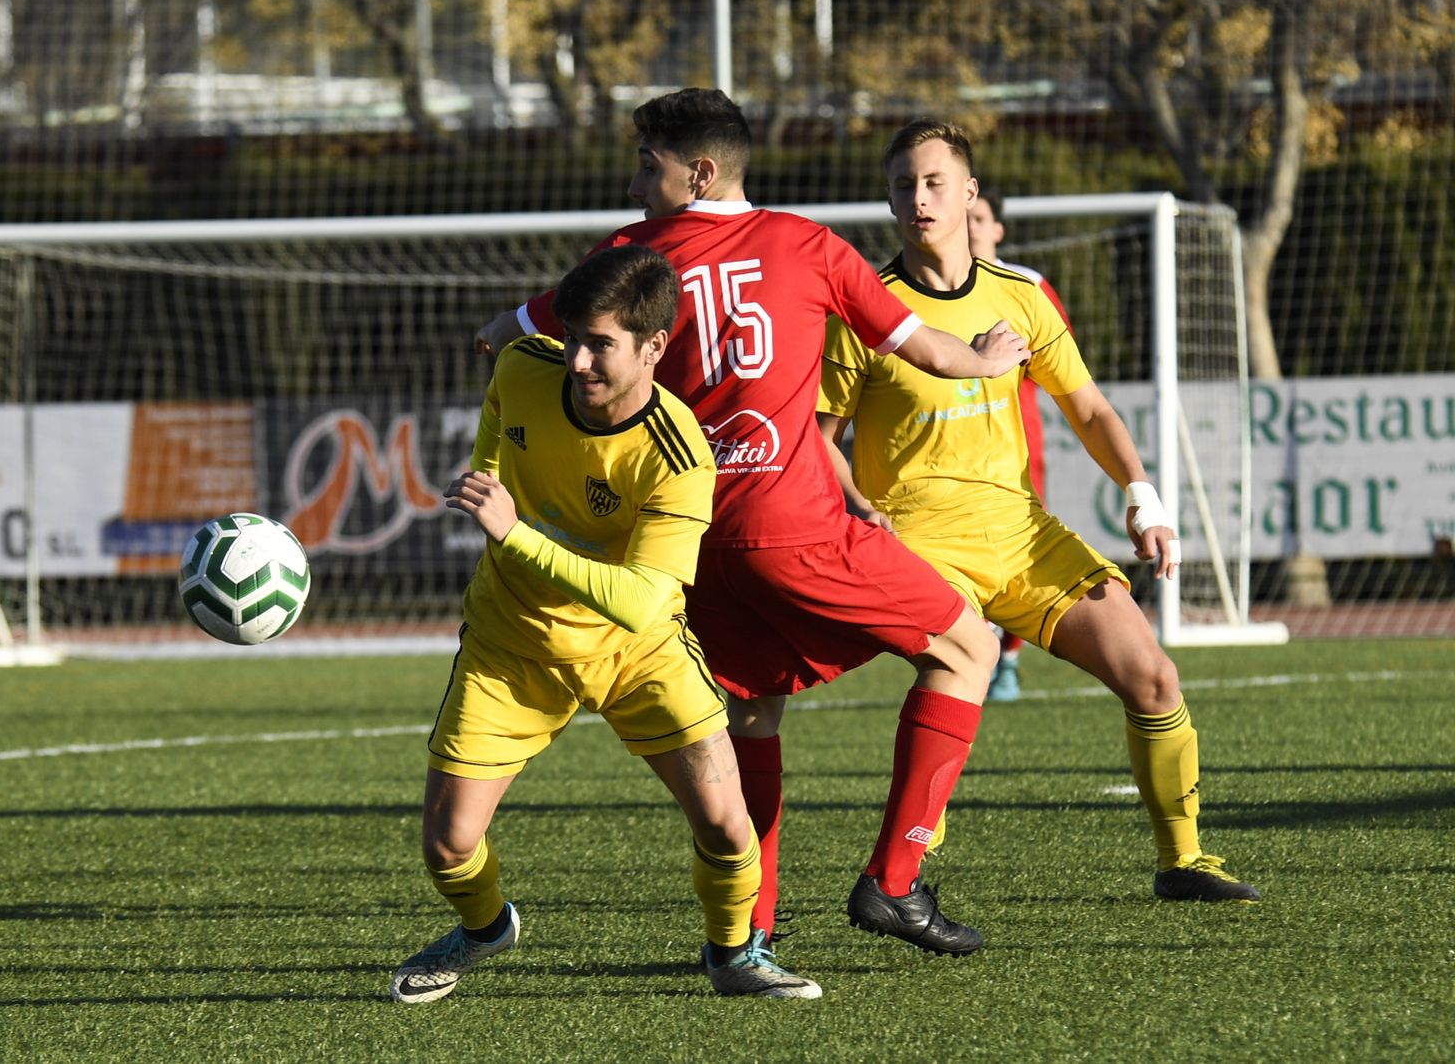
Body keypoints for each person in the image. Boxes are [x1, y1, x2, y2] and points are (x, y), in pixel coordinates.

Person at [475, 88, 1030, 956]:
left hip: (689, 540)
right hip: (792, 525)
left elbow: (504, 336)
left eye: (647, 167)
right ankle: (894, 881)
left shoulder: (628, 260)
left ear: (699, 173)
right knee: (968, 647)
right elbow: (929, 350)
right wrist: (989, 360)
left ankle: (752, 930)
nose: (635, 186)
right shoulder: (807, 244)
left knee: (751, 716)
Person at [817, 119, 1260, 902]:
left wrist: (1143, 499)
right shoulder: (867, 310)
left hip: (1021, 535)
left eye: (934, 183)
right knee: (957, 672)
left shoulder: (1020, 297)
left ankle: (1183, 860)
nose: (918, 199)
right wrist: (856, 509)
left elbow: (1088, 408)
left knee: (1153, 677)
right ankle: (900, 869)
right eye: (903, 185)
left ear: (970, 194)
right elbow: (817, 438)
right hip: (919, 544)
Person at [392, 244, 822, 1004]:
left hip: (638, 652)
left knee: (728, 826)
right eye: (571, 338)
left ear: (654, 346)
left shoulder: (679, 456)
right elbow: (499, 419)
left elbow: (637, 602)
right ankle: (486, 929)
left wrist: (513, 532)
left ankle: (733, 955)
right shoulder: (523, 367)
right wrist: (487, 475)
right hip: (513, 644)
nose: (577, 360)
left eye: (600, 345)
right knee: (448, 846)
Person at [964, 186, 1074, 703]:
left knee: (1018, 550)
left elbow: (1061, 363)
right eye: (964, 217)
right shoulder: (921, 287)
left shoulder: (1027, 285)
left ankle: (1007, 659)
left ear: (998, 229)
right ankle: (969, 653)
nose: (969, 226)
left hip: (1016, 439)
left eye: (979, 218)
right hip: (949, 445)